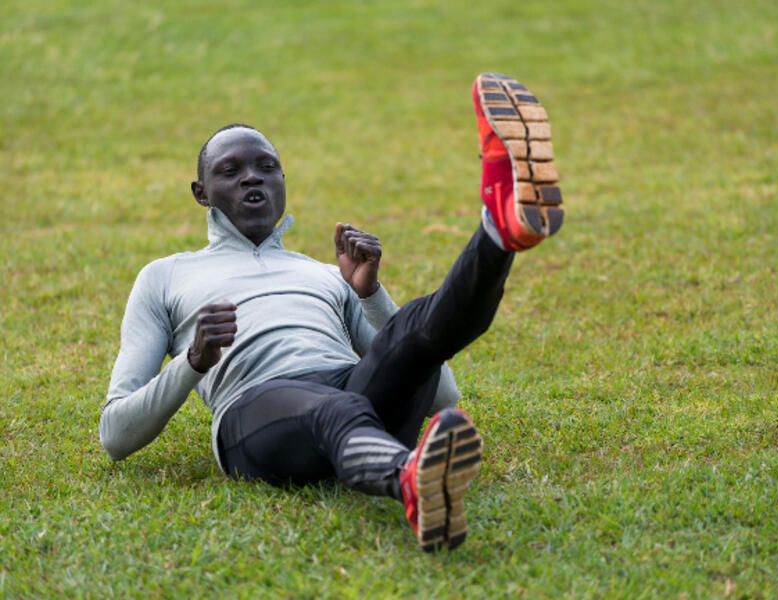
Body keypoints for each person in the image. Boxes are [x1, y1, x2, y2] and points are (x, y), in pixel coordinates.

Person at [99, 72, 564, 552]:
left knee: (410, 328)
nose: (252, 176)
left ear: (283, 181)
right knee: (338, 408)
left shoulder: (323, 273)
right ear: (201, 193)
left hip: (347, 387)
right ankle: (411, 481)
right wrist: (193, 362)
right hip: (254, 412)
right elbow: (115, 434)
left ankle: (499, 230)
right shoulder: (165, 276)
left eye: (266, 166)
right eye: (230, 170)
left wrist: (368, 294)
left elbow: (441, 395)